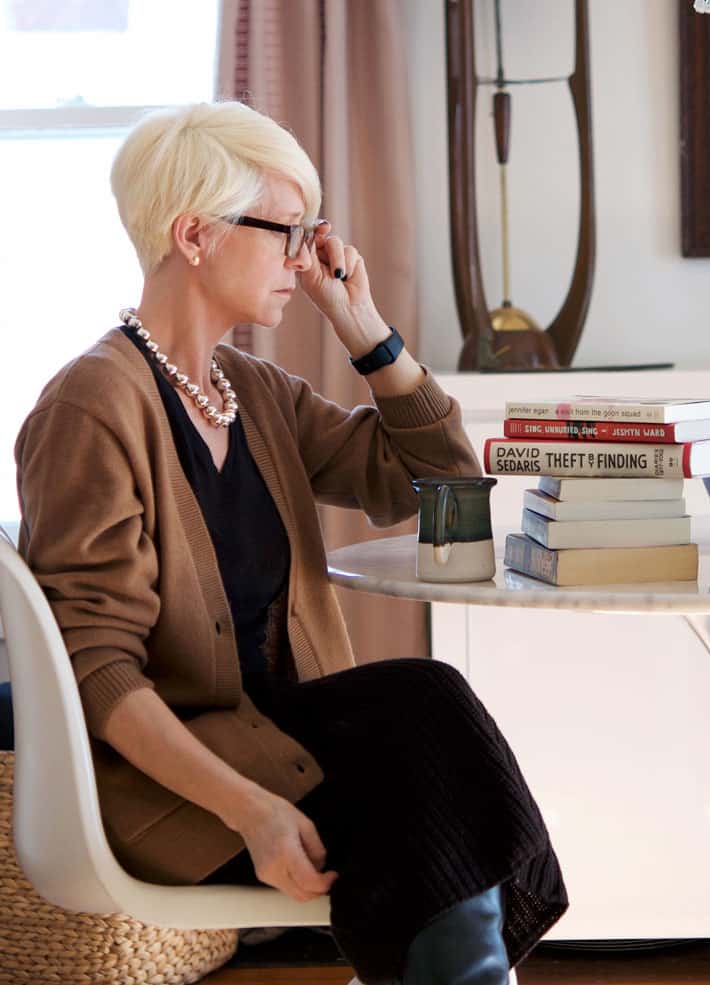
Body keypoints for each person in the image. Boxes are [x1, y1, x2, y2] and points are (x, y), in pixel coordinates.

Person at [14, 101, 567, 985]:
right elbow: (98, 669)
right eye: (286, 231)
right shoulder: (93, 404)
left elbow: (443, 485)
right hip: (183, 783)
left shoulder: (250, 390)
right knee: (426, 742)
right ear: (194, 236)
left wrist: (365, 331)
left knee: (424, 715)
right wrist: (253, 812)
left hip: (283, 740)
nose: (308, 256)